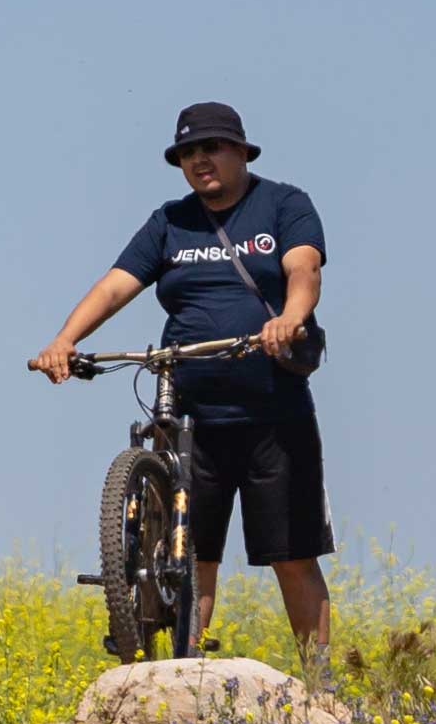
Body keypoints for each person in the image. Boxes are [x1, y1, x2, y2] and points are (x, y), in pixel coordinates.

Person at [28, 102, 334, 673]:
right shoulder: (170, 221)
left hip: (274, 409)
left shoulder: (283, 204)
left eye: (212, 148)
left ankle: (320, 682)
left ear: (241, 151)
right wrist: (63, 341)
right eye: (188, 153)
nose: (200, 160)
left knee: (292, 555)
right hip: (192, 409)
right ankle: (183, 672)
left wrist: (290, 316)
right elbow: (116, 286)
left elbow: (304, 268)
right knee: (192, 553)